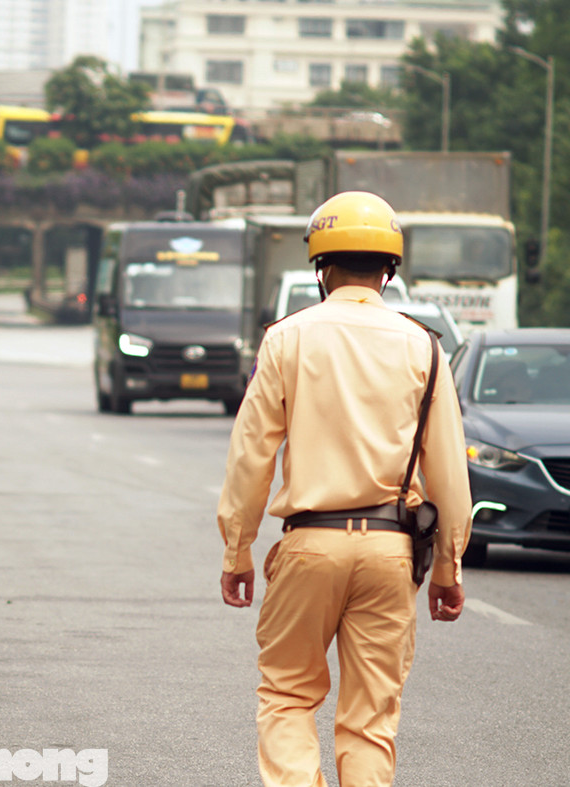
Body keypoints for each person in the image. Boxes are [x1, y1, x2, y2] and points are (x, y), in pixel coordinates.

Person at [216, 191, 472, 787]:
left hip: (310, 545)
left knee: (287, 694)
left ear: (320, 268)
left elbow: (251, 457)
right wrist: (448, 568)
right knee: (370, 720)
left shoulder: (287, 339)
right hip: (391, 551)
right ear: (389, 270)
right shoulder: (424, 346)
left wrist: (237, 551)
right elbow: (449, 476)